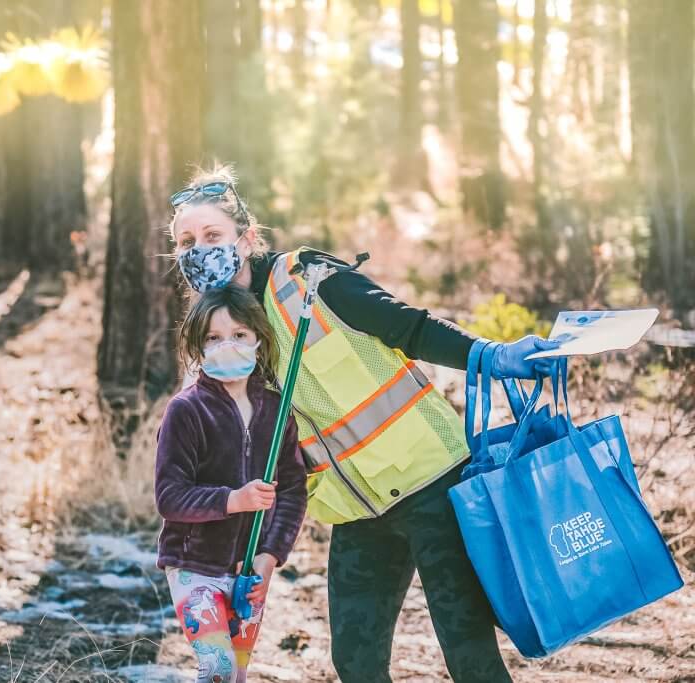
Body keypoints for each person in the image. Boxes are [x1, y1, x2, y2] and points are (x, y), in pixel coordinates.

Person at [168, 166, 561, 683]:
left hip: (432, 486)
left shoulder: (306, 278)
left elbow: (407, 326)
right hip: (355, 508)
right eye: (186, 242)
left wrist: (493, 355)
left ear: (246, 238)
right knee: (355, 662)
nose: (199, 250)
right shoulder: (220, 336)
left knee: (468, 653)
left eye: (212, 235)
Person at [156, 284, 308, 683]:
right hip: (195, 566)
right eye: (214, 337)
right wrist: (233, 500)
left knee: (238, 673)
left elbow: (292, 490)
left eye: (239, 335)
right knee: (218, 669)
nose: (228, 345)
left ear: (259, 339)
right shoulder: (186, 411)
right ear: (199, 346)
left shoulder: (277, 411)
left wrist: (270, 556)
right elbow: (170, 497)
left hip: (250, 570)